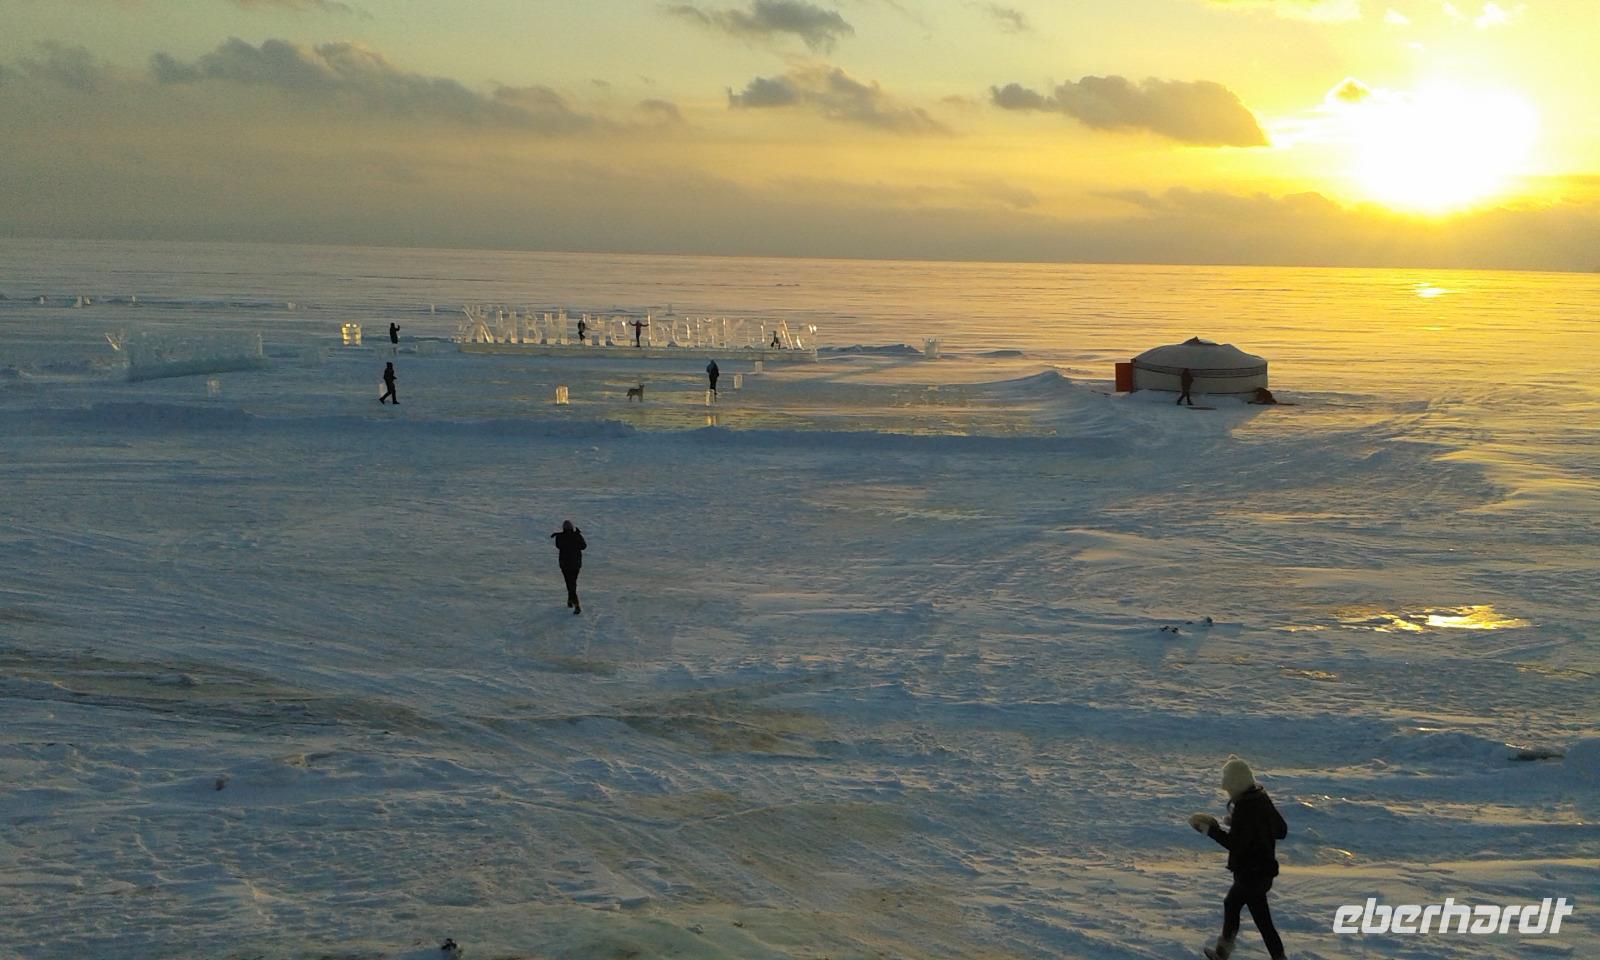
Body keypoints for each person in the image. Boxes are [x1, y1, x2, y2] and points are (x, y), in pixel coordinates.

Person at [1188, 755, 1289, 960]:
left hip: (1250, 873)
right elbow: (1281, 830)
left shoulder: (1245, 806)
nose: (1225, 788)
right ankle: (1275, 957)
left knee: (1234, 905)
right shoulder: (1262, 798)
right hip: (1264, 872)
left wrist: (1211, 830)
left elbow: (1235, 845)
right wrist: (1242, 825)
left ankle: (1223, 953)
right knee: (1260, 919)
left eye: (1227, 784)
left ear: (1235, 783)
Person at [550, 520, 587, 614]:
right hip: (576, 564)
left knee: (569, 583)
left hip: (565, 564)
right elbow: (583, 546)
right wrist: (577, 535)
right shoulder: (576, 536)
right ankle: (571, 601)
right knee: (572, 582)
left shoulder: (560, 537)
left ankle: (576, 603)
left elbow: (559, 546)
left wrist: (560, 535)